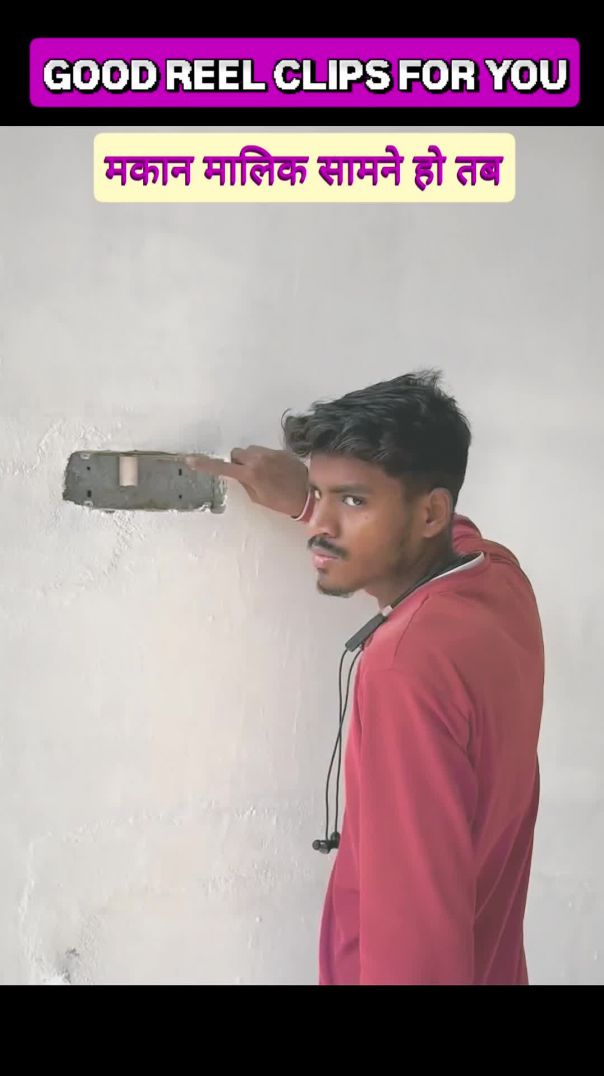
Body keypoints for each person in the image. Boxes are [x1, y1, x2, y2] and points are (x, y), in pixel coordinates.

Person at [186, 370, 544, 986]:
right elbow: (454, 536)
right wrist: (311, 499)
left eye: (352, 502)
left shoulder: (404, 669)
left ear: (430, 512)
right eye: (319, 496)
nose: (321, 525)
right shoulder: (499, 580)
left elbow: (416, 930)